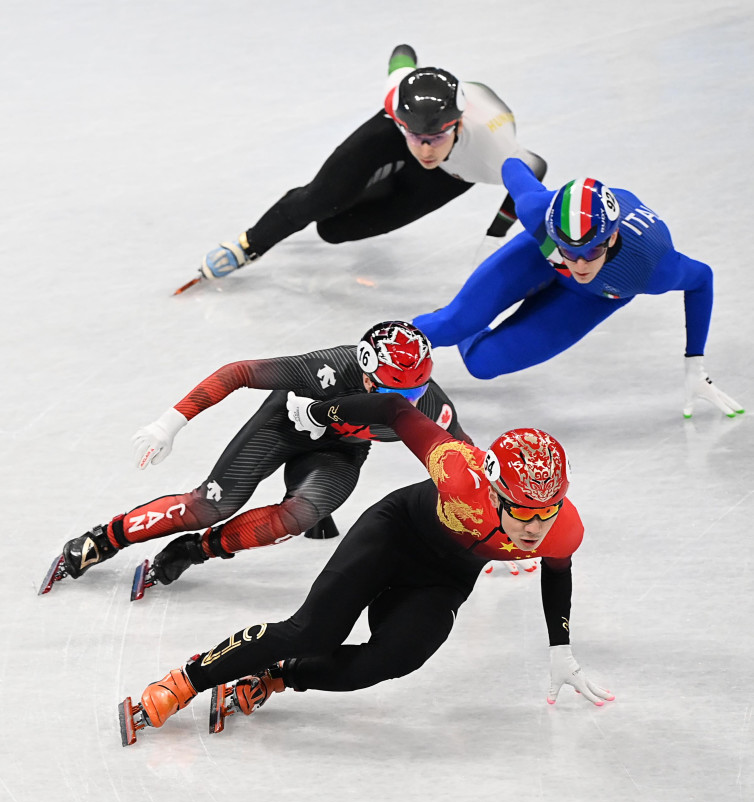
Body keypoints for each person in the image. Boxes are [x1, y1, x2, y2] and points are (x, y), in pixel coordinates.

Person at [118, 390, 613, 747]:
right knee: (310, 631)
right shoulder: (458, 469)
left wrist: (560, 647)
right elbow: (395, 410)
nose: (535, 527)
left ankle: (276, 677)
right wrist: (320, 413)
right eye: (523, 511)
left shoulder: (563, 527)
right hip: (396, 532)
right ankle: (185, 680)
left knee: (395, 659)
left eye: (546, 511)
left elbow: (557, 569)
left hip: (445, 578)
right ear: (494, 490)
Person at [40, 322, 470, 597]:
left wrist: (494, 521)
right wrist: (168, 423)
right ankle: (107, 538)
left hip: (340, 449)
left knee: (298, 515)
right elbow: (239, 372)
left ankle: (197, 550)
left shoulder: (429, 403)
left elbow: (466, 460)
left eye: (416, 391)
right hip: (283, 425)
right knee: (209, 507)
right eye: (395, 392)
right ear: (364, 372)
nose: (408, 403)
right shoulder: (328, 369)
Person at [412, 159, 744, 419]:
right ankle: (368, 356)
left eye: (592, 251)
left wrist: (694, 365)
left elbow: (702, 279)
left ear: (612, 237)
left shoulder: (654, 267)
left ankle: (466, 319)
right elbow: (513, 165)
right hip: (538, 257)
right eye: (570, 251)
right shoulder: (537, 211)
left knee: (482, 364)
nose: (581, 264)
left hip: (592, 297)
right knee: (451, 326)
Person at [193, 45, 546, 285]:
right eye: (416, 136)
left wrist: (494, 236)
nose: (425, 149)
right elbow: (402, 55)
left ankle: (360, 190)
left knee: (334, 230)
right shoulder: (397, 99)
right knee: (319, 200)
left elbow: (536, 167)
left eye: (436, 138)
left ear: (456, 124)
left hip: (451, 175)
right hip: (391, 138)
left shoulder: (493, 150)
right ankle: (248, 245)